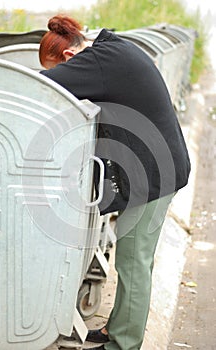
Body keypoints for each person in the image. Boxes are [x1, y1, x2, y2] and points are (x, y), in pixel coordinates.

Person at [39, 14, 191, 350]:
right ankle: (117, 329)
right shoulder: (111, 51)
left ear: (67, 58)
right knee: (132, 257)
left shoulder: (99, 61)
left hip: (155, 174)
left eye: (57, 68)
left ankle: (124, 344)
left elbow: (40, 88)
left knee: (134, 262)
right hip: (154, 165)